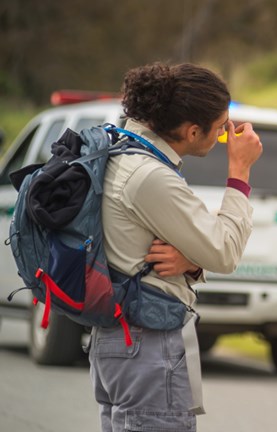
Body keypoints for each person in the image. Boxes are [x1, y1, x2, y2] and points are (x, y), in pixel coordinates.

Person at [89, 62, 263, 432]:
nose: (225, 136)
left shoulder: (120, 151)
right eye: (219, 131)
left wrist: (190, 262)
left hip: (119, 339)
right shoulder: (151, 177)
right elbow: (224, 252)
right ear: (191, 130)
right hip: (147, 344)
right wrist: (240, 171)